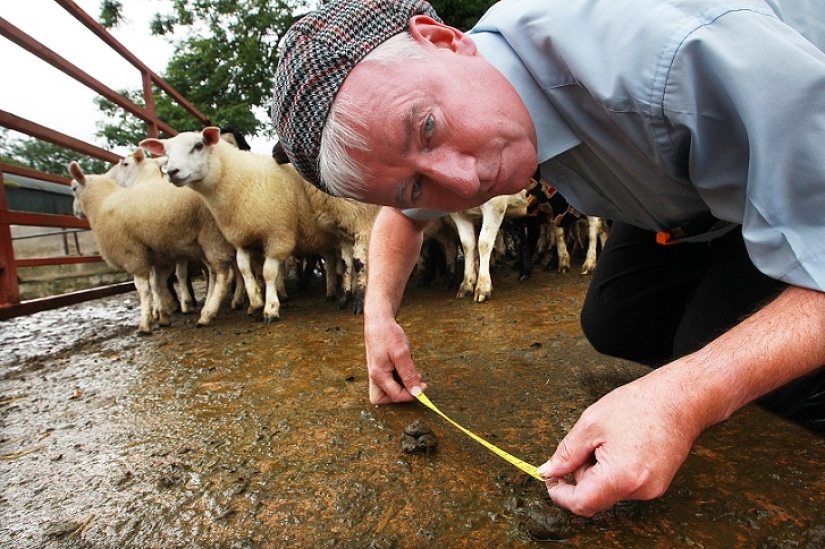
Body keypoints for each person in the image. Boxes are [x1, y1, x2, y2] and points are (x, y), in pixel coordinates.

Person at [272, 0, 825, 516]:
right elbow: (399, 218)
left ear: (442, 39)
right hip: (685, 201)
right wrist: (379, 318)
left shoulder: (677, 54)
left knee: (700, 347)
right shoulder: (465, 92)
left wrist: (694, 391)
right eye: (416, 186)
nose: (465, 183)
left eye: (428, 128)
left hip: (796, 168)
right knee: (615, 320)